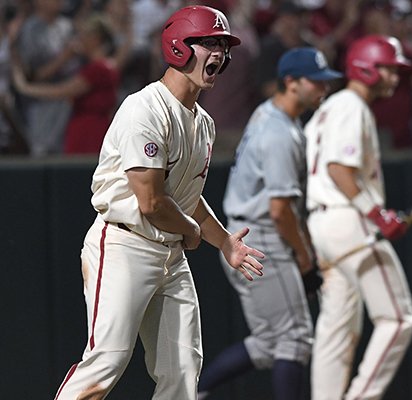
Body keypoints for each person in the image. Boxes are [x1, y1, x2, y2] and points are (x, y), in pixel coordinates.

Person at [53, 6, 264, 400]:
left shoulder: (203, 121)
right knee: (106, 363)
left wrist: (225, 243)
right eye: (207, 43)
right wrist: (191, 230)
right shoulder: (145, 108)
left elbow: (188, 199)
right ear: (179, 47)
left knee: (182, 371)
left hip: (170, 255)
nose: (218, 53)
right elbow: (151, 201)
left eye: (222, 45)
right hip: (125, 244)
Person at [197, 47, 342, 400]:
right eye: (315, 81)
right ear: (290, 83)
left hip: (245, 235)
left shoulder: (269, 115)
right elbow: (280, 210)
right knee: (293, 340)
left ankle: (196, 390)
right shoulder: (280, 133)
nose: (323, 89)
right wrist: (305, 259)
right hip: (262, 237)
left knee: (270, 343)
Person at [304, 34, 412, 400]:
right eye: (388, 68)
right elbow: (339, 168)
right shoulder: (351, 105)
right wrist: (378, 214)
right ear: (366, 65)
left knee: (337, 326)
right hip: (345, 220)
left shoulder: (328, 107)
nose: (394, 77)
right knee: (398, 318)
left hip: (319, 221)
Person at [12, 14, 120, 155]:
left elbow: (61, 91)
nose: (79, 40)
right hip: (86, 128)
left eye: (84, 35)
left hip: (89, 133)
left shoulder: (99, 69)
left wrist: (25, 88)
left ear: (96, 38)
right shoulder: (101, 65)